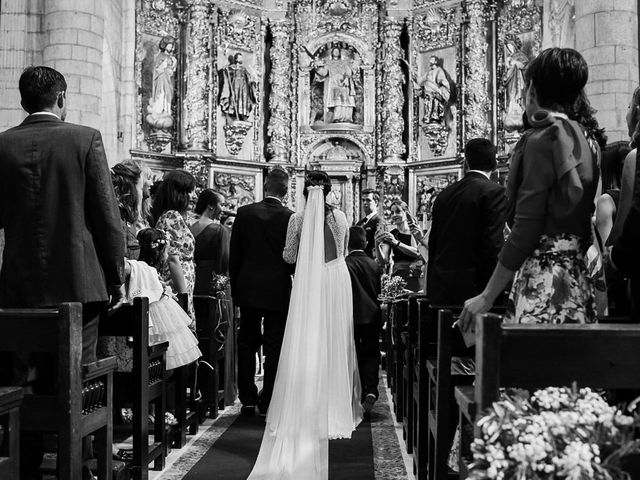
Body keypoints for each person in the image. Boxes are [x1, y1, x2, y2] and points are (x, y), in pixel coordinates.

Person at [0, 66, 125, 480]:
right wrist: (117, 275)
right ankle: (81, 463)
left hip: (17, 285)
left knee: (25, 376)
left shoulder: (2, 146)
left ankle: (27, 462)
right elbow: (107, 218)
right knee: (77, 374)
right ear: (62, 98)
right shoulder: (84, 138)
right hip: (78, 283)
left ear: (23, 102)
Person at [460, 48, 599, 330]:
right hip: (575, 275)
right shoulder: (589, 140)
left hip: (542, 278)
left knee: (535, 371)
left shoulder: (541, 139)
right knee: (573, 372)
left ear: (532, 89)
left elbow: (526, 228)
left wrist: (487, 296)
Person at [247, 171, 362, 480]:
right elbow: (344, 249)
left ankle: (305, 401)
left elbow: (288, 256)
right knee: (335, 339)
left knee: (308, 339)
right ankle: (333, 405)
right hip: (337, 279)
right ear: (329, 191)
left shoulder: (296, 220)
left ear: (304, 192)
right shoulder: (340, 217)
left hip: (310, 281)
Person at [229, 168, 294, 416]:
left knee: (247, 342)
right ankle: (268, 399)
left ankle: (246, 398)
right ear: (285, 191)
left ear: (264, 186)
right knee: (274, 345)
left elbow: (235, 256)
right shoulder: (290, 217)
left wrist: (236, 291)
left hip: (248, 288)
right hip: (278, 289)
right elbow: (291, 259)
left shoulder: (244, 213)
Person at [426, 138, 507, 305]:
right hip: (477, 289)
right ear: (495, 163)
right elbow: (492, 245)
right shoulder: (494, 192)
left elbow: (434, 245)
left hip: (442, 288)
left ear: (466, 162)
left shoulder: (444, 195)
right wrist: (496, 290)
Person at [190, 189, 236, 405]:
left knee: (197, 337)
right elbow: (224, 263)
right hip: (214, 287)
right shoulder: (219, 230)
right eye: (221, 204)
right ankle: (218, 389)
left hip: (193, 285)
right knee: (218, 337)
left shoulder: (189, 228)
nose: (223, 208)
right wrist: (220, 293)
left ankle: (197, 385)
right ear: (211, 206)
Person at [135, 228, 201, 369]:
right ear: (160, 251)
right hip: (151, 326)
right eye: (167, 250)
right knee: (175, 344)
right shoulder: (149, 272)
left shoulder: (142, 269)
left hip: (142, 325)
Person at [345, 226, 381, 418]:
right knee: (372, 352)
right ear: (366, 243)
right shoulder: (374, 265)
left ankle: (355, 392)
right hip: (372, 315)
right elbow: (378, 291)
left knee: (355, 353)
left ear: (346, 243)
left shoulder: (345, 264)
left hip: (352, 315)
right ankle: (371, 389)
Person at [152, 170, 197, 323]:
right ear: (179, 193)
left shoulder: (175, 216)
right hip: (177, 287)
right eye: (191, 192)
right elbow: (173, 259)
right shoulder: (172, 216)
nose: (195, 196)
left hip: (182, 286)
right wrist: (183, 297)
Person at [375, 200, 423, 292]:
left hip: (414, 276)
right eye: (392, 212)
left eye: (398, 211)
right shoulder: (391, 234)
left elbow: (418, 252)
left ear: (406, 212)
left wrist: (396, 243)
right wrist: (377, 245)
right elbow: (384, 261)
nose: (394, 215)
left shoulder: (415, 232)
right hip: (398, 277)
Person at [312, 47, 358, 123]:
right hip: (334, 85)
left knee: (347, 101)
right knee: (338, 102)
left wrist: (347, 78)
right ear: (332, 53)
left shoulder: (344, 62)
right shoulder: (329, 63)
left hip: (344, 84)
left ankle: (348, 118)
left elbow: (349, 72)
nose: (336, 53)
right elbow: (324, 72)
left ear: (339, 53)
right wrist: (317, 68)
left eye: (337, 51)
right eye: (334, 51)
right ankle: (337, 118)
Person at [111, 161, 144, 259]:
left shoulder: (126, 217)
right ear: (131, 189)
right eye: (141, 189)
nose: (141, 195)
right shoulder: (118, 217)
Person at [146, 35, 177, 130]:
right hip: (161, 80)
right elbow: (157, 69)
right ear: (164, 45)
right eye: (169, 45)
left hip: (168, 80)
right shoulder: (160, 56)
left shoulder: (172, 58)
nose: (170, 47)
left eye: (171, 46)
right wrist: (164, 67)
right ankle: (159, 111)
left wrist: (173, 64)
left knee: (168, 95)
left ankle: (166, 110)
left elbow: (173, 69)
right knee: (162, 94)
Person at [219, 52, 257, 122]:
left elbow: (249, 77)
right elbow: (226, 74)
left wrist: (252, 80)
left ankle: (242, 114)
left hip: (243, 87)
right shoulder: (231, 68)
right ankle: (234, 113)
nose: (241, 59)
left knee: (243, 100)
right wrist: (225, 69)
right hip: (235, 85)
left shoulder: (244, 69)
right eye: (240, 57)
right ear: (236, 59)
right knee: (235, 99)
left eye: (241, 57)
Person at [418, 55, 452, 126]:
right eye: (430, 60)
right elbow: (421, 81)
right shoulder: (429, 72)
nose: (430, 61)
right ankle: (429, 116)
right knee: (428, 104)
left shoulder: (439, 70)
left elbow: (444, 82)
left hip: (435, 93)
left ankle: (435, 116)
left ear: (436, 61)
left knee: (435, 104)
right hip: (428, 94)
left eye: (432, 60)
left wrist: (443, 91)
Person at [356, 188, 381, 259]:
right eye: (363, 200)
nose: (365, 203)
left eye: (368, 200)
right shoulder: (360, 223)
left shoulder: (379, 222)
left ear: (376, 202)